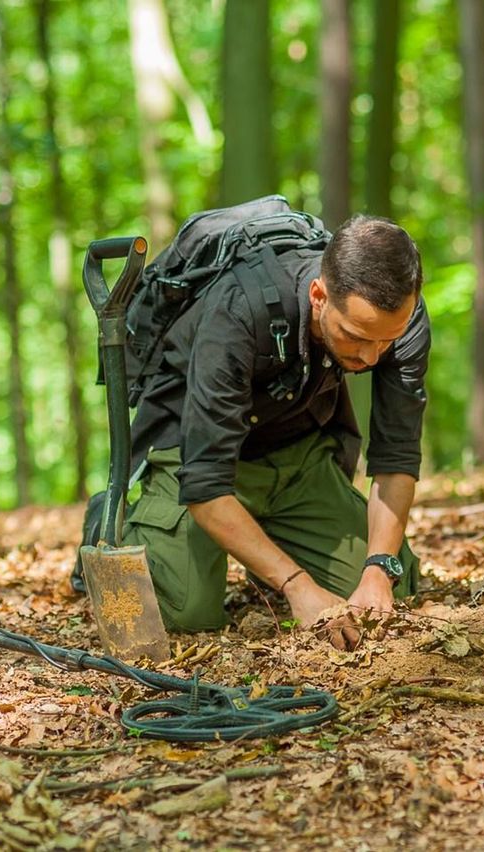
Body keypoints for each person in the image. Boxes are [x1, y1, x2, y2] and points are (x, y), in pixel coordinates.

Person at [117, 214, 429, 650]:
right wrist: (296, 586)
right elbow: (206, 483)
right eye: (356, 336)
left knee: (396, 584)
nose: (373, 357)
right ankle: (110, 527)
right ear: (319, 296)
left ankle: (271, 546)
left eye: (386, 341)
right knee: (184, 611)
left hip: (295, 454)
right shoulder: (239, 309)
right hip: (193, 452)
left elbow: (396, 456)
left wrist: (378, 569)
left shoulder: (399, 317)